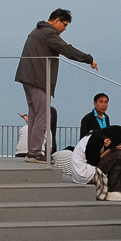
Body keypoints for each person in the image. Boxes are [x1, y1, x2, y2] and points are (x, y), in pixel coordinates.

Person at [14, 9, 98, 163]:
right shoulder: (48, 33)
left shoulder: (37, 31)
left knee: (34, 116)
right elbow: (68, 50)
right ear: (56, 20)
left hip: (27, 78)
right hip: (38, 79)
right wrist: (89, 59)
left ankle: (32, 151)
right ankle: (35, 152)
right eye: (64, 24)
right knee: (43, 116)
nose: (65, 29)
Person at [69, 125, 121, 201]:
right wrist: (109, 150)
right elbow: (92, 161)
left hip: (82, 172)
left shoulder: (95, 136)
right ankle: (112, 191)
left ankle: (118, 191)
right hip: (85, 172)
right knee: (118, 154)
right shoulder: (96, 138)